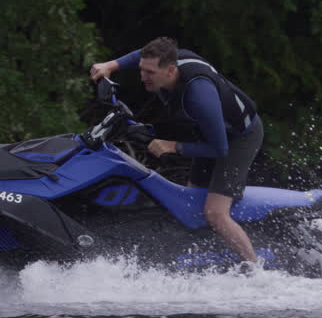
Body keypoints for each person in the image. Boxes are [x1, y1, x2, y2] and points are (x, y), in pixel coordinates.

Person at [90, 36, 265, 269]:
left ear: (170, 70)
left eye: (150, 73)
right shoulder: (168, 60)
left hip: (238, 140)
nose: (143, 77)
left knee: (214, 213)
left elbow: (220, 149)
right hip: (210, 134)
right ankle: (208, 254)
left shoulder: (199, 95)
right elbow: (143, 55)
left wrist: (173, 146)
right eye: (142, 70)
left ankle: (254, 270)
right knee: (193, 200)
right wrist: (111, 65)